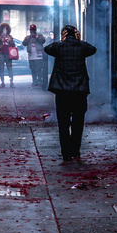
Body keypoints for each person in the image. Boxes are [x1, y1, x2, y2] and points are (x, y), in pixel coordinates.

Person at [44, 25, 97, 161]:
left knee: (63, 123)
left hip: (62, 92)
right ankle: (75, 151)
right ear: (76, 34)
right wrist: (80, 40)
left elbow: (47, 49)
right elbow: (93, 49)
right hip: (79, 92)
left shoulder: (59, 47)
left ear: (64, 34)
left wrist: (61, 40)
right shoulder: (82, 47)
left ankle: (66, 153)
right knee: (78, 123)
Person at [0, 23, 16, 88]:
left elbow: (13, 45)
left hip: (8, 53)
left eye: (6, 29)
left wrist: (12, 42)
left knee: (9, 68)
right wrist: (1, 36)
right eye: (4, 29)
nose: (5, 30)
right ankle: (2, 82)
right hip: (0, 53)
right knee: (1, 68)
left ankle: (11, 82)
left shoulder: (10, 36)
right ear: (1, 30)